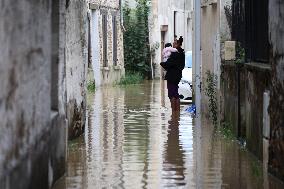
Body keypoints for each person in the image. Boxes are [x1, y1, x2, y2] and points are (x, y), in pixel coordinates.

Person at [160, 36, 185, 113]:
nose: (173, 45)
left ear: (177, 44)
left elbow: (168, 64)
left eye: (174, 43)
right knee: (176, 94)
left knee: (172, 95)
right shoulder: (182, 53)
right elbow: (181, 65)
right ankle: (177, 114)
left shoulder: (174, 54)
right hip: (178, 76)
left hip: (172, 76)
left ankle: (174, 113)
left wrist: (161, 63)